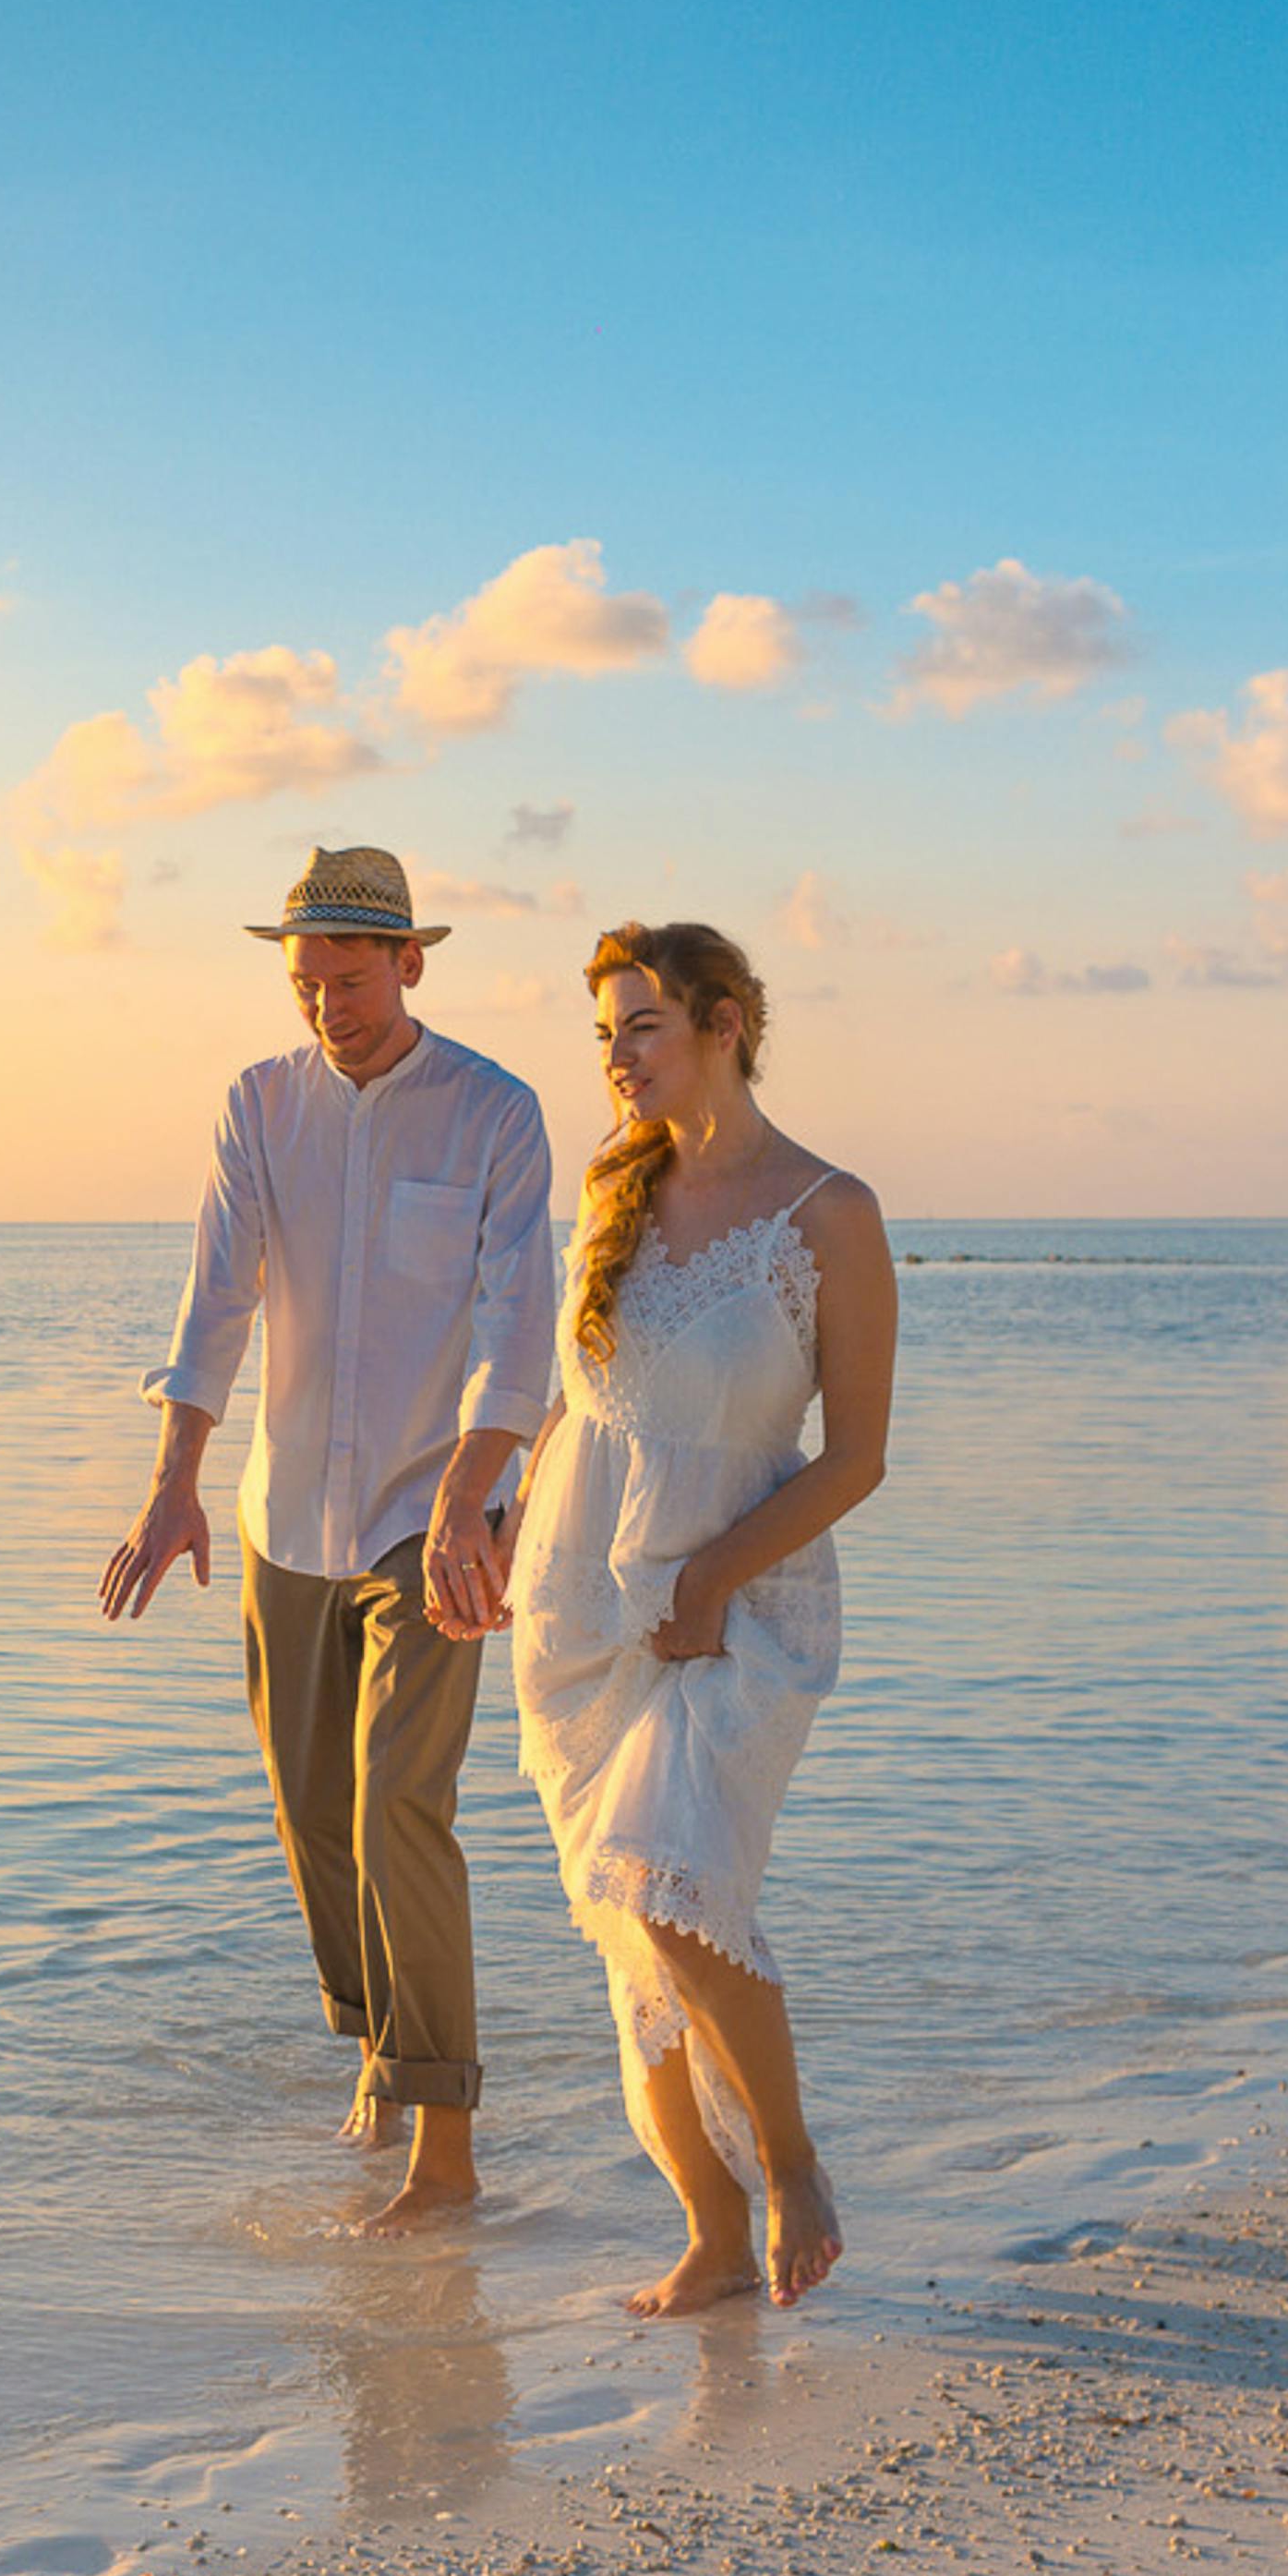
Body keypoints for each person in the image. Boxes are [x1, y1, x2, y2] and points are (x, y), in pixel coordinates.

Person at [98, 845, 559, 2231]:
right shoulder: (260, 1105)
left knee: (395, 1805)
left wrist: (481, 1485)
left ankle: (446, 2145)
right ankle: (376, 2043)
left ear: (411, 961)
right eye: (305, 983)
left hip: (434, 1522)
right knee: (313, 1817)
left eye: (349, 979)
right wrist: (174, 1477)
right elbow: (217, 1305)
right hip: (285, 1518)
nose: (327, 1008)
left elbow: (517, 1321)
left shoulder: (495, 1114)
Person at [488, 918, 894, 2315]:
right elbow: (583, 1403)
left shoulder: (828, 1213)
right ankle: (711, 2234)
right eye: (603, 1034)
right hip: (582, 1600)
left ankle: (791, 2168)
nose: (615, 1059)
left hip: (741, 1605)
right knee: (626, 1925)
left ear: (725, 1021)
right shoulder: (617, 1189)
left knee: (672, 1887)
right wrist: (489, 1524)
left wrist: (714, 1575)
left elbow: (857, 1456)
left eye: (640, 1027)